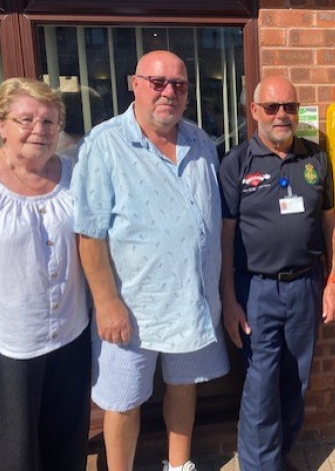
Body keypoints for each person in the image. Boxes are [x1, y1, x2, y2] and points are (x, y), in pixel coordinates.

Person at [72, 50, 229, 471]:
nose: (168, 92)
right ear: (134, 84)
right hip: (131, 307)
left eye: (178, 85)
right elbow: (89, 234)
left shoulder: (200, 142)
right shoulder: (104, 144)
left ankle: (178, 466)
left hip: (192, 301)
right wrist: (106, 304)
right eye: (157, 82)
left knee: (184, 385)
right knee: (122, 402)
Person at [0, 78, 90, 471]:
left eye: (49, 122)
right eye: (25, 119)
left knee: (67, 447)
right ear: (0, 124)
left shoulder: (71, 172)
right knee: (15, 457)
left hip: (70, 334)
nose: (39, 131)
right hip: (8, 347)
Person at [219, 75, 335, 471]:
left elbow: (331, 223)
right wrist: (228, 299)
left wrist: (334, 279)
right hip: (255, 290)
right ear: (254, 111)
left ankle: (280, 456)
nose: (281, 115)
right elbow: (225, 237)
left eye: (290, 106)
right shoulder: (236, 164)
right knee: (260, 387)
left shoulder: (316, 159)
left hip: (306, 285)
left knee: (296, 381)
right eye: (272, 107)